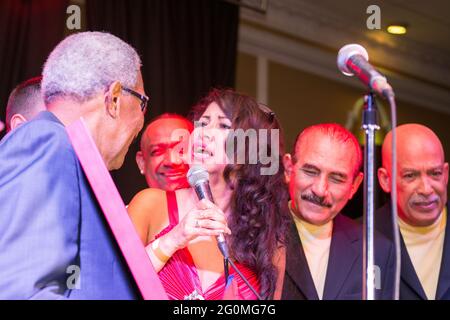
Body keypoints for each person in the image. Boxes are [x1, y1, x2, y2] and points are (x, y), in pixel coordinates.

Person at [0, 31, 147, 299]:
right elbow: (20, 291)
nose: (141, 120)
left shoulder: (69, 157)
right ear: (114, 98)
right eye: (141, 102)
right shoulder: (47, 141)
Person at [128, 88, 290, 300]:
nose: (203, 133)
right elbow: (111, 283)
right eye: (202, 123)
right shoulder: (150, 203)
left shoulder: (269, 240)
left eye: (223, 125)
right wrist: (173, 239)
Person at [280, 123, 394, 300]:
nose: (320, 189)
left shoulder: (375, 250)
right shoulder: (253, 233)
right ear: (288, 169)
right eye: (310, 171)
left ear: (354, 186)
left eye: (336, 179)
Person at [376, 123, 450, 300]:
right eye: (410, 175)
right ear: (385, 180)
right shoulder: (361, 238)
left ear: (446, 174)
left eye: (435, 173)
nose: (426, 189)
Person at [136, 113, 193, 191]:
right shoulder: (119, 203)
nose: (171, 161)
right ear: (141, 162)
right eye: (157, 151)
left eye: (181, 150)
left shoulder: (214, 202)